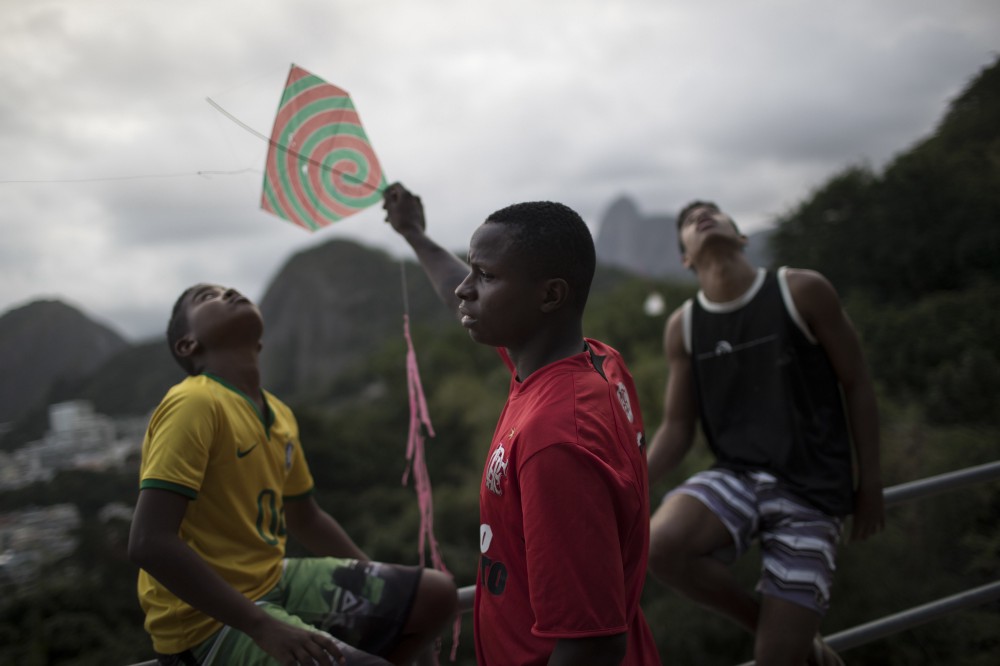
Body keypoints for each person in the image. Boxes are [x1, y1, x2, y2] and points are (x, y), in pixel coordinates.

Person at [382, 182, 661, 666]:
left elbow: (591, 644)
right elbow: (460, 300)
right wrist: (414, 235)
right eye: (471, 270)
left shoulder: (556, 440)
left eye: (485, 276)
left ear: (550, 295)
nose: (464, 288)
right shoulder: (593, 362)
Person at [128, 283, 457, 666]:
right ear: (188, 345)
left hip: (272, 576)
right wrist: (262, 625)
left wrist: (380, 583)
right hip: (204, 619)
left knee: (437, 595)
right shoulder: (194, 403)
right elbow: (148, 542)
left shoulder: (278, 413)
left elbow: (307, 518)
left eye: (228, 289)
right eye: (207, 297)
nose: (229, 292)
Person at [645, 201, 885, 666]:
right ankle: (782, 635)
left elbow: (856, 382)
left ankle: (787, 642)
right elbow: (677, 427)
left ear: (742, 236)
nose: (702, 217)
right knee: (658, 546)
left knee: (777, 659)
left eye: (713, 211)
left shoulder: (802, 290)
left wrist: (871, 481)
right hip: (737, 475)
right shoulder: (685, 326)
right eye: (690, 221)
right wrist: (627, 483)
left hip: (813, 489)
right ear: (685, 259)